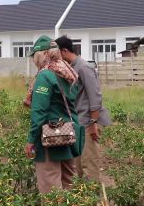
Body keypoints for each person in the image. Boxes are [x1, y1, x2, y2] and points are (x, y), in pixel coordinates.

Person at [24, 35, 84, 194]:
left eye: (34, 56)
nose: (33, 60)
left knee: (51, 189)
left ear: (43, 54)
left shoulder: (45, 76)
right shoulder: (66, 71)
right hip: (68, 136)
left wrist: (31, 140)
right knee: (68, 185)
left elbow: (39, 112)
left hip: (50, 140)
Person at [55, 35, 111, 182]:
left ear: (64, 51)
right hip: (77, 123)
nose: (56, 59)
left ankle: (93, 199)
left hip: (88, 123)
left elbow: (95, 97)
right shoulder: (70, 68)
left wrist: (93, 124)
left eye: (57, 54)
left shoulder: (84, 67)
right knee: (77, 165)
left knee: (89, 164)